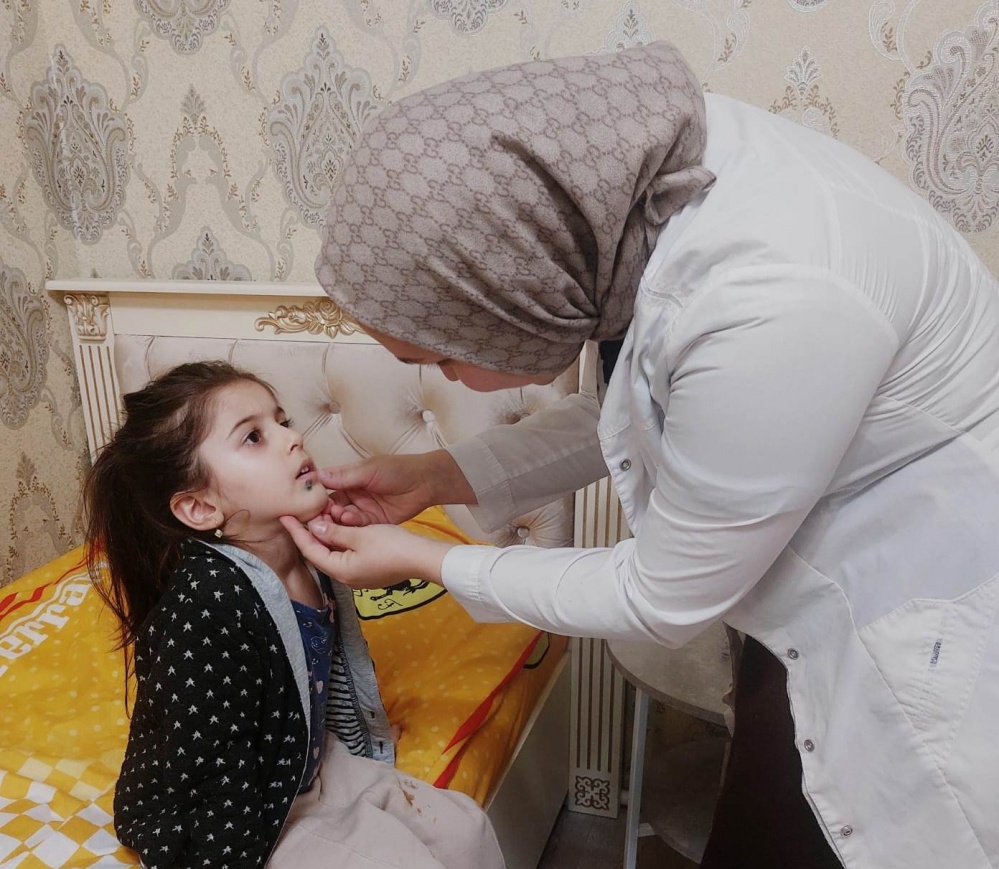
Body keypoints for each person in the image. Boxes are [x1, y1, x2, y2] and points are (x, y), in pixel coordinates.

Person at [283, 40, 999, 869]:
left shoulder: (768, 294)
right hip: (811, 588)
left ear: (507, 295)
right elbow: (635, 408)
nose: (446, 378)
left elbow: (664, 594)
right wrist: (438, 474)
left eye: (440, 358)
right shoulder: (628, 218)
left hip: (912, 620)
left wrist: (429, 558)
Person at [83, 361, 504, 869]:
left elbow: (336, 672)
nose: (292, 438)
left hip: (301, 759)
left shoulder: (313, 554)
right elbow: (211, 763)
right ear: (201, 508)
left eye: (282, 421)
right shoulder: (207, 604)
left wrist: (364, 743)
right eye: (254, 437)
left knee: (467, 830)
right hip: (234, 814)